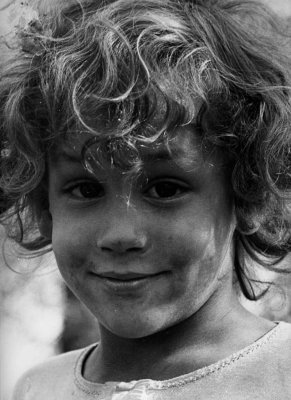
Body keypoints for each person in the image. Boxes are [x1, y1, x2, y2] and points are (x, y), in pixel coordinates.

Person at [1, 0, 291, 398]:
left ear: (248, 196)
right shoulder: (36, 388)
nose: (121, 234)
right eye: (86, 189)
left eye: (165, 189)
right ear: (44, 208)